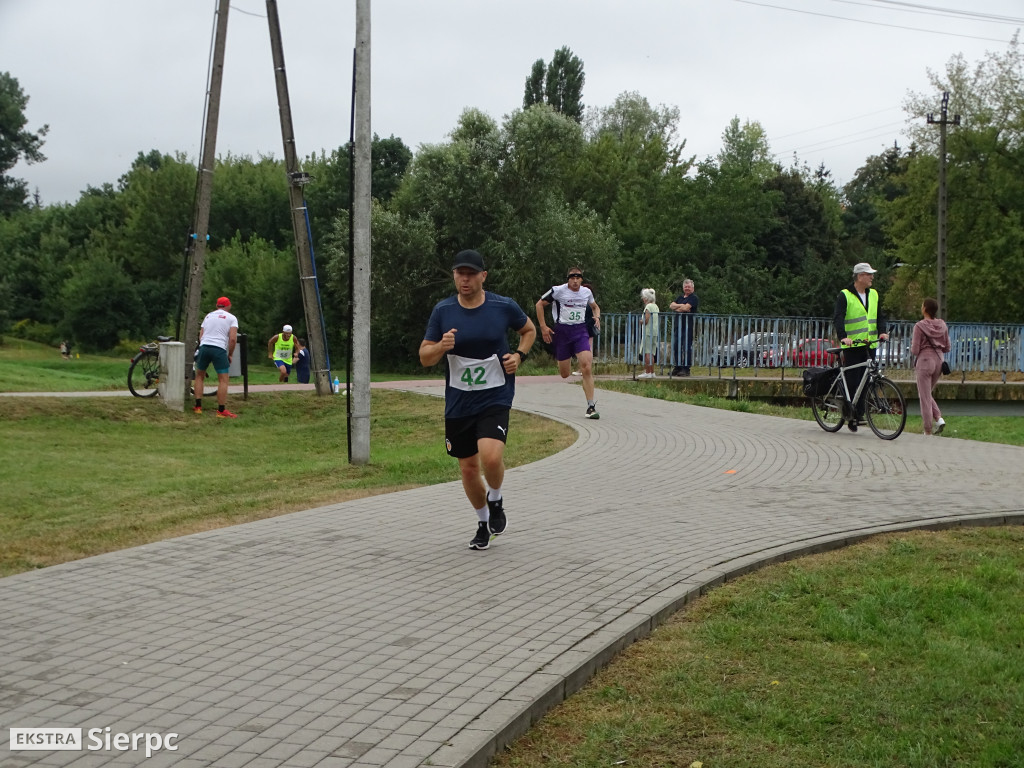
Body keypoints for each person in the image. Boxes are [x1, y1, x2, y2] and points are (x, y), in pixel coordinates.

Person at [420, 249, 536, 551]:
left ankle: (495, 499)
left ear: (483, 276)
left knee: (491, 456)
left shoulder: (502, 306)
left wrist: (519, 356)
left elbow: (529, 330)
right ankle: (483, 522)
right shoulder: (443, 311)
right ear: (454, 276)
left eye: (471, 274)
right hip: (459, 401)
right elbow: (424, 358)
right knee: (468, 468)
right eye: (460, 273)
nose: (465, 279)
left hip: (495, 395)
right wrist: (441, 346)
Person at [536, 267, 602, 419]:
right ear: (568, 279)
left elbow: (595, 306)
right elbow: (539, 305)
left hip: (580, 331)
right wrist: (543, 327)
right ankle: (568, 357)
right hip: (562, 332)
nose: (575, 280)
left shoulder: (586, 292)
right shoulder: (558, 291)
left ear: (581, 279)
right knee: (564, 374)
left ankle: (591, 406)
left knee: (586, 366)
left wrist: (597, 317)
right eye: (572, 278)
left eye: (578, 278)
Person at [832, 262, 888, 432]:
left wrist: (882, 332)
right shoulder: (845, 295)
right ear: (859, 276)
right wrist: (843, 337)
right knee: (853, 379)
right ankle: (849, 414)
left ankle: (859, 414)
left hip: (869, 344)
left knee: (867, 379)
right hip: (852, 345)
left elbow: (879, 316)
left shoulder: (874, 295)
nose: (872, 277)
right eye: (869, 274)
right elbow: (838, 318)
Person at [194, 296, 239, 418]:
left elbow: (201, 334)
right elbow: (233, 339)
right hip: (218, 349)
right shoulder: (232, 318)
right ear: (228, 306)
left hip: (204, 346)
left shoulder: (208, 316)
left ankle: (198, 406)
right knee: (223, 380)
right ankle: (221, 410)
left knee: (199, 376)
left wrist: (204, 344)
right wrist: (230, 354)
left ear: (217, 306)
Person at [911, 297, 950, 436]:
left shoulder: (919, 326)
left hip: (924, 361)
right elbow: (947, 347)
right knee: (926, 393)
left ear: (925, 309)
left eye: (922, 306)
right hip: (939, 360)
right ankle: (939, 418)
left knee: (924, 397)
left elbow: (915, 350)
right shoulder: (942, 325)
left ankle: (927, 429)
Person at [669, 279, 699, 377]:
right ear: (683, 288)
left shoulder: (694, 298)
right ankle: (677, 367)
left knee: (686, 347)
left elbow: (686, 308)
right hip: (678, 325)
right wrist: (682, 306)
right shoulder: (680, 297)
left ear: (692, 288)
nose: (687, 288)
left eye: (689, 287)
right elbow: (671, 306)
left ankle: (686, 368)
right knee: (676, 346)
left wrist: (680, 308)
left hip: (688, 326)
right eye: (685, 287)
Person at [638, 288, 660, 379]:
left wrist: (641, 321)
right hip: (654, 332)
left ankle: (648, 372)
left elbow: (646, 319)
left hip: (648, 332)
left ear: (646, 298)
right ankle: (652, 372)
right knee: (652, 352)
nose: (643, 299)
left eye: (643, 297)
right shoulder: (655, 306)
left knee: (647, 352)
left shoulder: (648, 307)